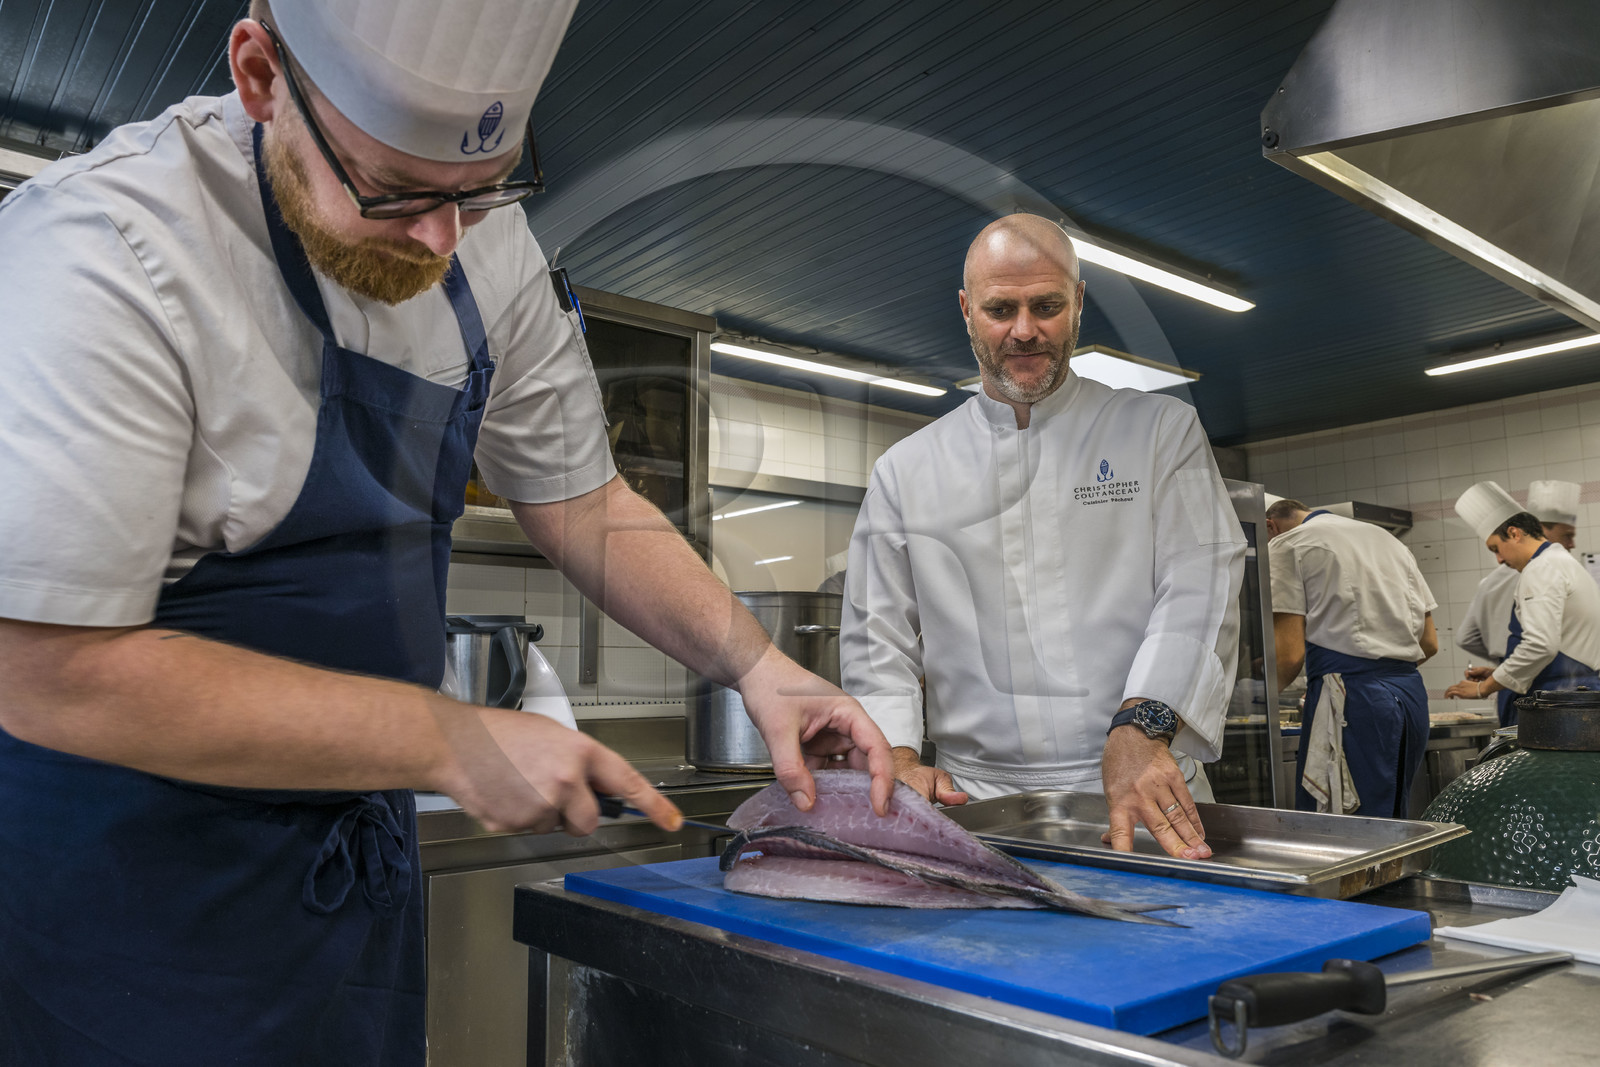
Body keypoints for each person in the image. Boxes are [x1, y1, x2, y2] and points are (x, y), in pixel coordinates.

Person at [0, 2, 892, 1062]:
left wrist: (758, 665)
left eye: (482, 189)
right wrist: (442, 737)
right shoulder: (106, 249)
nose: (440, 238)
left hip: (348, 892)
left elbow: (585, 500)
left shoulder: (482, 241)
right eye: (396, 190)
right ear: (259, 76)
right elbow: (47, 668)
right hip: (126, 905)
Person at [840, 213, 1245, 861]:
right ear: (968, 311)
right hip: (974, 802)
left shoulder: (1157, 430)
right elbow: (875, 634)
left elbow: (1201, 583)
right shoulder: (907, 469)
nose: (1025, 330)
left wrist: (1144, 724)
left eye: (1047, 305)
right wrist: (897, 754)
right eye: (1001, 309)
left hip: (1143, 782)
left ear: (1079, 301)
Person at [1264, 499, 1438, 816]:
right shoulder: (1390, 541)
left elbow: (1288, 656)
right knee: (1392, 819)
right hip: (1410, 697)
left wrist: (1257, 701)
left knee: (1346, 829)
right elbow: (1429, 643)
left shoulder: (1287, 544)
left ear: (1269, 526)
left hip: (1353, 702)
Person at [1446, 482, 1600, 725]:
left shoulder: (1540, 569)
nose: (1499, 560)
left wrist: (1483, 688)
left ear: (1515, 533)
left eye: (1496, 548)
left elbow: (1540, 646)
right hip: (1572, 695)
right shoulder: (1561, 561)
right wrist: (1500, 674)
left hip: (1555, 702)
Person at [1456, 479, 1580, 668]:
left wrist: (1505, 665)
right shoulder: (1550, 574)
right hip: (1549, 678)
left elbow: (1466, 637)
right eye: (1567, 536)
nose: (1572, 544)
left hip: (1513, 679)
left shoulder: (1488, 582)